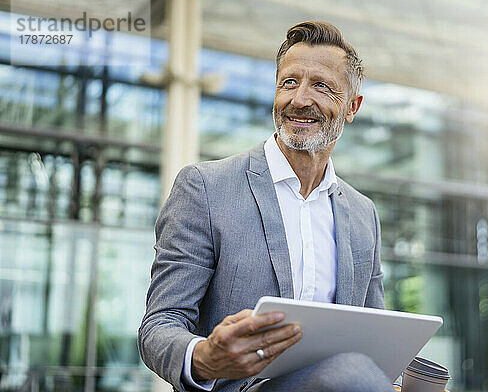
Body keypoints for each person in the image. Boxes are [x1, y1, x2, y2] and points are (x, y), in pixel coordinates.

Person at [138, 21, 392, 392]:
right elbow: (159, 325)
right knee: (349, 373)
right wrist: (204, 356)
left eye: (320, 85)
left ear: (352, 107)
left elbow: (376, 337)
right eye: (289, 83)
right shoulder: (205, 188)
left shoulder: (363, 213)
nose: (299, 99)